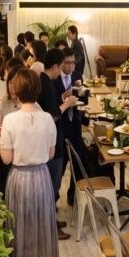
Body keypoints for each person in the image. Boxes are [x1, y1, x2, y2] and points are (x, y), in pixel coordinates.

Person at [0, 67, 60, 257]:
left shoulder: (10, 120)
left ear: (16, 91)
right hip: (42, 178)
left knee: (20, 234)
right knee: (44, 231)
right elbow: (51, 153)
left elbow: (6, 159)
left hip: (19, 180)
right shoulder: (48, 119)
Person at [37, 47, 77, 240]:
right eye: (61, 66)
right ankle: (50, 226)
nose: (62, 70)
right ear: (55, 66)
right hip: (51, 141)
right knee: (52, 185)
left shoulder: (45, 82)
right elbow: (52, 115)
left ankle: (51, 221)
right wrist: (67, 104)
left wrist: (62, 98)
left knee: (54, 183)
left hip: (51, 139)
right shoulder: (46, 84)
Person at [55, 47, 85, 208]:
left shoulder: (77, 76)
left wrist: (81, 90)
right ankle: (54, 198)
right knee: (60, 166)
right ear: (61, 64)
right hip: (61, 127)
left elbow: (84, 100)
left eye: (73, 63)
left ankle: (73, 195)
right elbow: (52, 103)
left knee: (78, 161)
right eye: (68, 63)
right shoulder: (54, 79)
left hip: (75, 124)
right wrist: (64, 96)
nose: (71, 66)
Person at [0, 57, 25, 197]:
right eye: (10, 82)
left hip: (24, 162)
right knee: (4, 198)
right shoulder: (2, 103)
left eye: (16, 83)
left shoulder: (31, 106)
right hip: (7, 160)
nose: (12, 86)